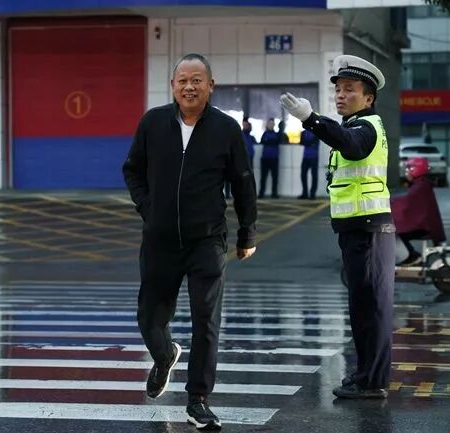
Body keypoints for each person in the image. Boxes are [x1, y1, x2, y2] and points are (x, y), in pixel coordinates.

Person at [123, 53, 257, 431]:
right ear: (172, 86)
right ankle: (164, 354)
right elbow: (132, 170)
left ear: (210, 86)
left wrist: (247, 232)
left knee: (206, 322)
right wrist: (149, 208)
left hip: (206, 241)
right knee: (150, 317)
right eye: (182, 80)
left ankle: (198, 399)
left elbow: (243, 183)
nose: (189, 86)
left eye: (197, 80)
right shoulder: (152, 123)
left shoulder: (225, 129)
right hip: (160, 241)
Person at [280, 54, 395, 399]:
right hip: (358, 230)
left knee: (370, 309)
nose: (341, 95)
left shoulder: (366, 128)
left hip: (368, 230)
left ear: (368, 98)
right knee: (362, 308)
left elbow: (351, 146)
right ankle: (365, 374)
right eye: (338, 90)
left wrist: (310, 119)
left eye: (350, 90)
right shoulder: (355, 125)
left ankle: (372, 382)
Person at [390, 157, 446, 266]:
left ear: (416, 169)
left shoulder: (420, 186)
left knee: (389, 231)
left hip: (423, 227)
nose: (406, 172)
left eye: (409, 168)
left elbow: (406, 204)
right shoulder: (422, 184)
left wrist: (389, 204)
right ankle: (411, 255)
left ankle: (409, 258)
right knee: (395, 229)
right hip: (426, 226)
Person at [259, 118, 280, 198]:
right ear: (267, 125)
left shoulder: (277, 135)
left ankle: (274, 193)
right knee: (263, 177)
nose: (271, 125)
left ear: (274, 125)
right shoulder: (264, 134)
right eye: (270, 124)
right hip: (265, 159)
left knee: (275, 177)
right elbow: (262, 142)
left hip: (274, 159)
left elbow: (276, 142)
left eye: (272, 124)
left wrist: (269, 141)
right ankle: (261, 193)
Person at [298, 129, 319, 199]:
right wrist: (309, 142)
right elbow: (301, 142)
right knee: (303, 175)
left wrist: (307, 142)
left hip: (314, 157)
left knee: (314, 176)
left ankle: (312, 194)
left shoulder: (316, 131)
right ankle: (305, 193)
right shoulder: (303, 133)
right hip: (305, 157)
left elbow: (308, 142)